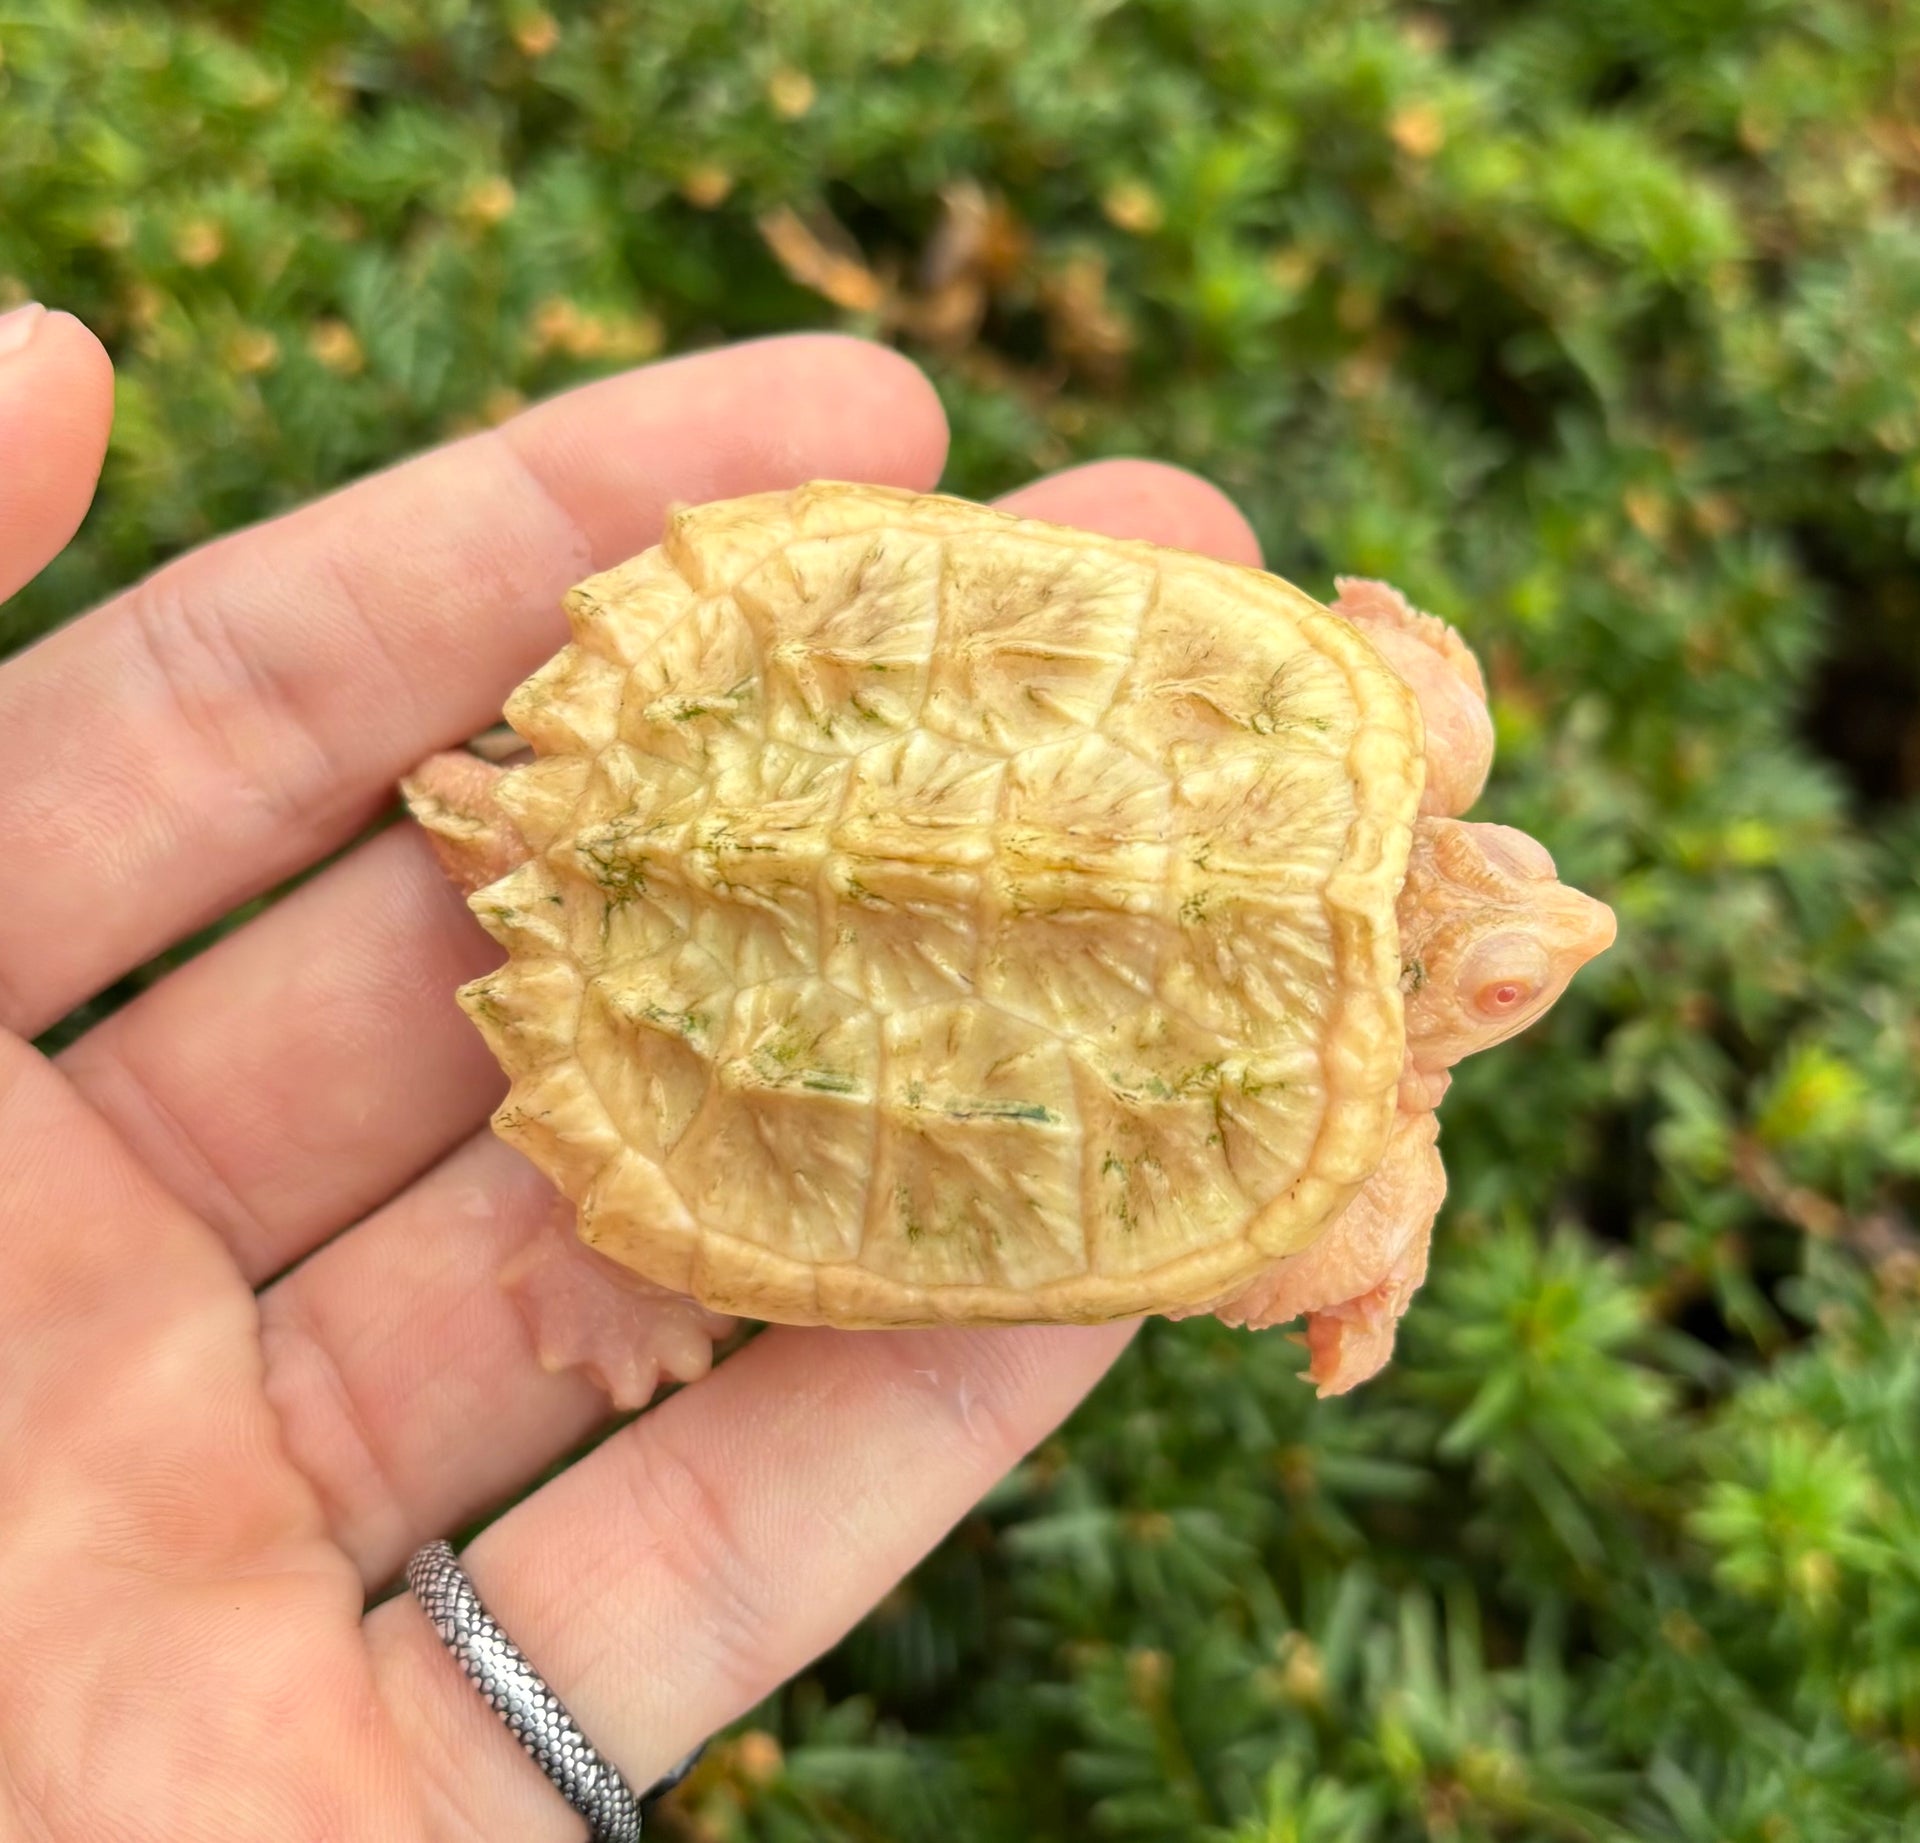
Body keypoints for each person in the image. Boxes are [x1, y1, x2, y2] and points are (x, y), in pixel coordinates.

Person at [0, 302, 1264, 1840]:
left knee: (646, 1224)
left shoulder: (616, 1064)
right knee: (640, 1228)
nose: (451, 796)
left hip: (1006, 899)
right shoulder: (603, 1053)